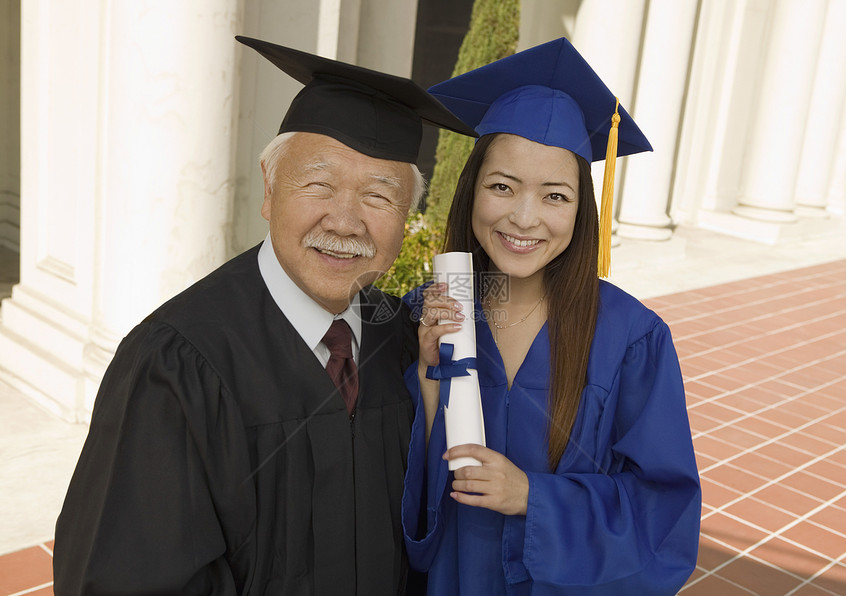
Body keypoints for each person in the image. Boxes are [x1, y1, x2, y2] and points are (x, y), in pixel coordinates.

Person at [53, 36, 475, 595]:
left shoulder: (399, 338)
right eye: (319, 184)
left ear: (404, 217)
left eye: (379, 197)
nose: (346, 222)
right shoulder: (175, 366)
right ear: (270, 186)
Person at [400, 38, 701, 595]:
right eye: (501, 187)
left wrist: (533, 499)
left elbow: (664, 516)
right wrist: (426, 378)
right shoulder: (431, 312)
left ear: (582, 208)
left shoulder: (633, 338)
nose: (524, 217)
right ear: (471, 193)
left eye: (555, 196)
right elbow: (385, 479)